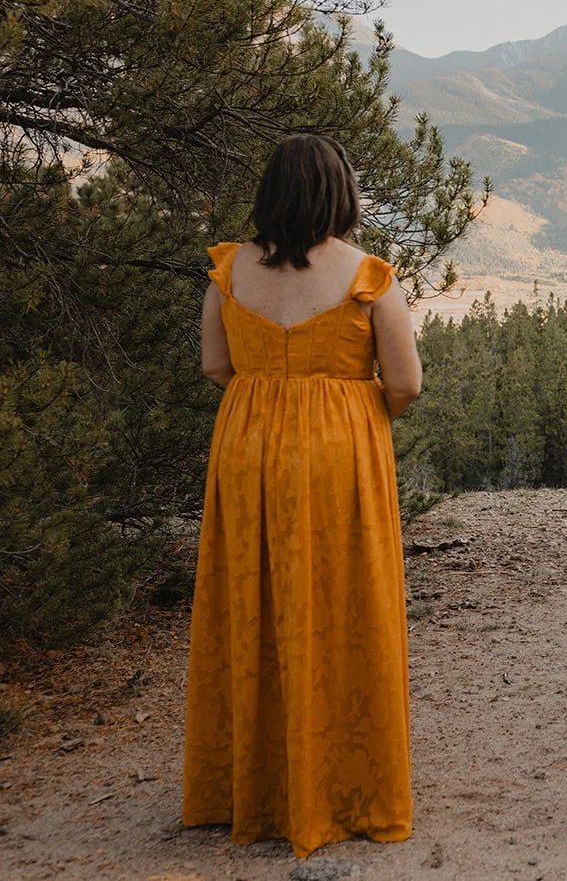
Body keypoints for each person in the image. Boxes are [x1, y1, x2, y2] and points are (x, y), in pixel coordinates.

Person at [183, 134, 422, 858]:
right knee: (343, 608)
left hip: (247, 451)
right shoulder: (368, 276)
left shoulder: (228, 273)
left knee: (251, 607)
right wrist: (343, 406)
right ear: (339, 193)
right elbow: (405, 383)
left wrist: (271, 400)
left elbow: (215, 365)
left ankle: (248, 788)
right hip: (338, 457)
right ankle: (343, 786)